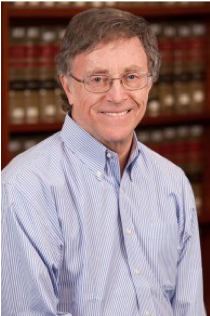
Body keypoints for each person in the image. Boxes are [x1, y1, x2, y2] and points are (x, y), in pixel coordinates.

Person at [1, 8, 206, 316]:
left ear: (149, 84)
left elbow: (189, 309)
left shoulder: (172, 182)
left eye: (132, 77)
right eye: (98, 79)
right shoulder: (24, 188)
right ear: (68, 86)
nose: (117, 95)